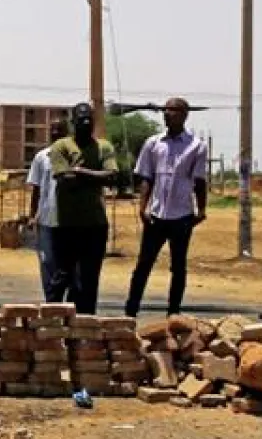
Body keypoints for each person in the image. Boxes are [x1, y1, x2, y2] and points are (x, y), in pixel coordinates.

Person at [124, 98, 208, 318]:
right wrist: (143, 207)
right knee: (143, 265)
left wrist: (202, 210)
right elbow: (146, 177)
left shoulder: (196, 145)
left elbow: (199, 181)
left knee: (178, 267)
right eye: (165, 110)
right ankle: (130, 312)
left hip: (182, 215)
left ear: (184, 114)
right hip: (156, 215)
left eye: (172, 110)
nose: (166, 114)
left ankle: (174, 314)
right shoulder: (153, 143)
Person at [47, 102, 119, 313]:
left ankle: (86, 324)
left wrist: (78, 170)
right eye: (80, 122)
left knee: (89, 279)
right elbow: (63, 179)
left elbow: (112, 177)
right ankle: (52, 318)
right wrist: (95, 176)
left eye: (88, 122)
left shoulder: (103, 147)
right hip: (67, 224)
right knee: (63, 276)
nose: (84, 126)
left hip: (95, 224)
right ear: (73, 122)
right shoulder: (61, 146)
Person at [25, 119, 69, 300]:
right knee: (47, 262)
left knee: (66, 264)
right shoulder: (41, 157)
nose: (56, 133)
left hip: (69, 220)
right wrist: (31, 215)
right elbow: (36, 189)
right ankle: (51, 302)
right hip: (46, 219)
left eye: (60, 129)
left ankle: (63, 300)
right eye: (53, 130)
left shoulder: (73, 156)